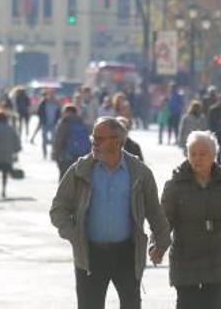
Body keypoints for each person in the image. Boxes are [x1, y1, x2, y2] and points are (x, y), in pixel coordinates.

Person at [50, 117, 171, 309]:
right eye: (93, 138)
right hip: (90, 255)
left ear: (117, 141)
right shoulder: (80, 170)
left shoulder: (139, 173)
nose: (94, 143)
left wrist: (161, 243)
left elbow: (155, 212)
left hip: (127, 254)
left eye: (99, 138)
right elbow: (58, 209)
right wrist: (74, 235)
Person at [161, 131, 221, 309]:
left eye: (202, 154)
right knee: (187, 305)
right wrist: (158, 244)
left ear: (214, 155)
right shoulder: (176, 183)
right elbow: (163, 220)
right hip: (185, 257)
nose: (197, 159)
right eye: (193, 154)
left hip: (216, 256)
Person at [53, 104, 92, 177]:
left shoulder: (64, 122)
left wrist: (55, 153)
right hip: (81, 154)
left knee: (65, 177)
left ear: (66, 112)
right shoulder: (82, 122)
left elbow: (59, 140)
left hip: (66, 156)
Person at [0, 110, 21, 199]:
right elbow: (16, 139)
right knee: (4, 173)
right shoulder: (10, 128)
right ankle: (3, 190)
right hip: (7, 154)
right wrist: (16, 150)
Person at [35, 90, 61, 159]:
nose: (51, 96)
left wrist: (56, 120)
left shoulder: (56, 103)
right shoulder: (43, 103)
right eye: (50, 94)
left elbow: (59, 113)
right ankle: (45, 154)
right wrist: (42, 119)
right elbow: (38, 112)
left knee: (53, 140)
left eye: (52, 94)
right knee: (44, 140)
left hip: (53, 124)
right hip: (45, 123)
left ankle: (52, 154)